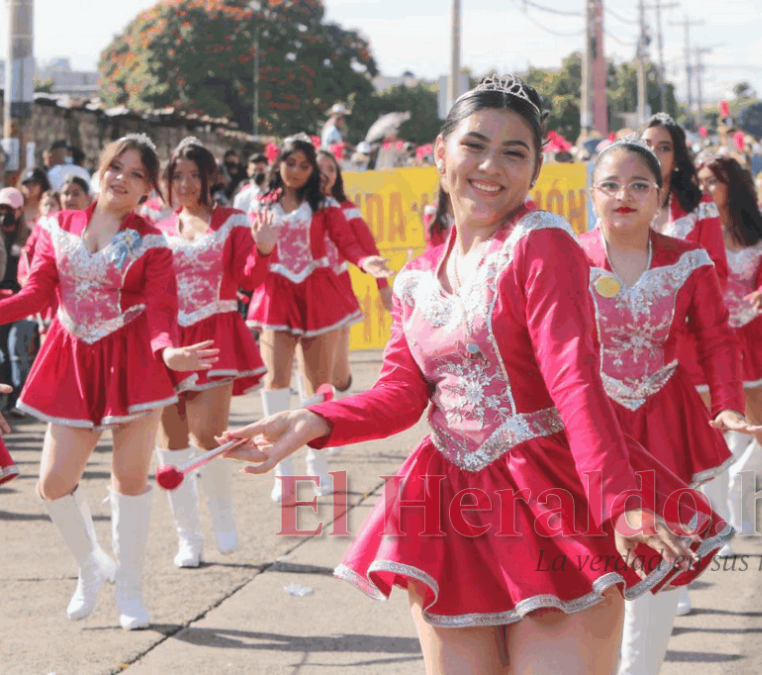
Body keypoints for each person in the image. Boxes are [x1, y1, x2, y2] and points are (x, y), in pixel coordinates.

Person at [222, 74, 730, 674]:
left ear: (535, 172)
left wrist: (618, 501)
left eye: (514, 152)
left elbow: (574, 379)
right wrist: (314, 417)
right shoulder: (414, 279)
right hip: (450, 510)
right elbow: (398, 394)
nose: (491, 165)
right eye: (474, 145)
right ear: (441, 154)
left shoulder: (541, 245)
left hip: (552, 497)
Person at [0, 134, 217, 629]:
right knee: (54, 484)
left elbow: (162, 307)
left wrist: (169, 352)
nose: (122, 177)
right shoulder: (57, 225)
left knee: (131, 479)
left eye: (136, 173)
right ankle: (92, 565)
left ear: (148, 190)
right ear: (100, 168)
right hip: (72, 357)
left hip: (134, 359)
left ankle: (132, 592)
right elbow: (36, 294)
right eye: (116, 166)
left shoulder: (152, 240)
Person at [579, 137, 756, 674]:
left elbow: (717, 339)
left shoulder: (689, 261)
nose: (623, 196)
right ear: (592, 196)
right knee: (589, 566)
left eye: (639, 185)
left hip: (664, 423)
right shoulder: (564, 258)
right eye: (610, 185)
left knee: (659, 563)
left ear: (660, 196)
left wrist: (725, 404)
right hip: (587, 426)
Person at [245, 134, 393, 503]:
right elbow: (251, 260)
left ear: (312, 171)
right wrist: (262, 248)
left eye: (303, 165)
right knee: (275, 383)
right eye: (290, 163)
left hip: (317, 295)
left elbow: (347, 243)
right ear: (277, 164)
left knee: (318, 385)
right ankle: (282, 472)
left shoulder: (325, 205)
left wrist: (365, 263)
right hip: (276, 295)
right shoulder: (259, 204)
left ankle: (318, 464)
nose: (295, 171)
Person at [153, 137, 279, 568]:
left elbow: (249, 280)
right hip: (168, 344)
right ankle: (188, 538)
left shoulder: (232, 221)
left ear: (210, 178)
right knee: (170, 445)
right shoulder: (158, 228)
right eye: (176, 176)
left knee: (208, 436)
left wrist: (263, 247)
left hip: (216, 338)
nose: (185, 184)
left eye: (193, 175)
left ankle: (222, 517)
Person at [699, 157, 762, 536]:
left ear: (731, 186)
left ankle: (741, 485)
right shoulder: (691, 229)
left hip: (751, 341)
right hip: (704, 342)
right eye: (700, 183)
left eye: (713, 183)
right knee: (712, 441)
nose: (704, 190)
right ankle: (717, 527)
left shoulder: (761, 231)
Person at [639, 113, 728, 406]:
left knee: (698, 439)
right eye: (646, 144)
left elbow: (717, 270)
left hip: (687, 338)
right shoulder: (620, 203)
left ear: (677, 158)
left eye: (663, 147)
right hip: (632, 342)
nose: (653, 152)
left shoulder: (700, 207)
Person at [315, 149, 392, 400]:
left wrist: (383, 288)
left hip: (336, 294)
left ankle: (342, 382)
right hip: (300, 295)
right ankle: (319, 423)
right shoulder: (292, 207)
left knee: (337, 375)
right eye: (319, 168)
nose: (325, 175)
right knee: (314, 367)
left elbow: (367, 250)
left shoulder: (346, 209)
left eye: (331, 169)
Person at [0, 187, 37, 416]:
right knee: (2, 353)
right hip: (0, 303)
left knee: (16, 350)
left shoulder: (30, 236)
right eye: (1, 208)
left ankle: (18, 399)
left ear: (20, 210)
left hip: (22, 301)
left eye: (9, 209)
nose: (4, 213)